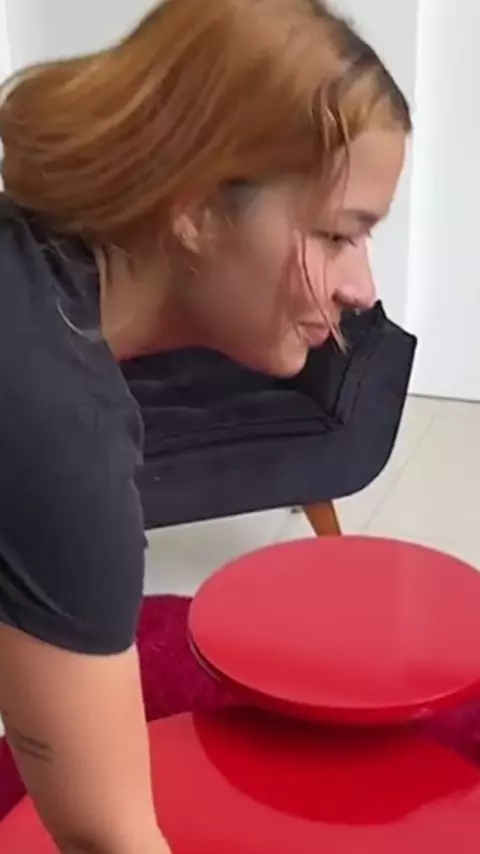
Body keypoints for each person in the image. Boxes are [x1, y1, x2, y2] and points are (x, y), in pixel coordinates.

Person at [0, 0, 411, 851]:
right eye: (337, 235)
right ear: (193, 208)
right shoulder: (57, 431)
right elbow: (109, 838)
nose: (362, 289)